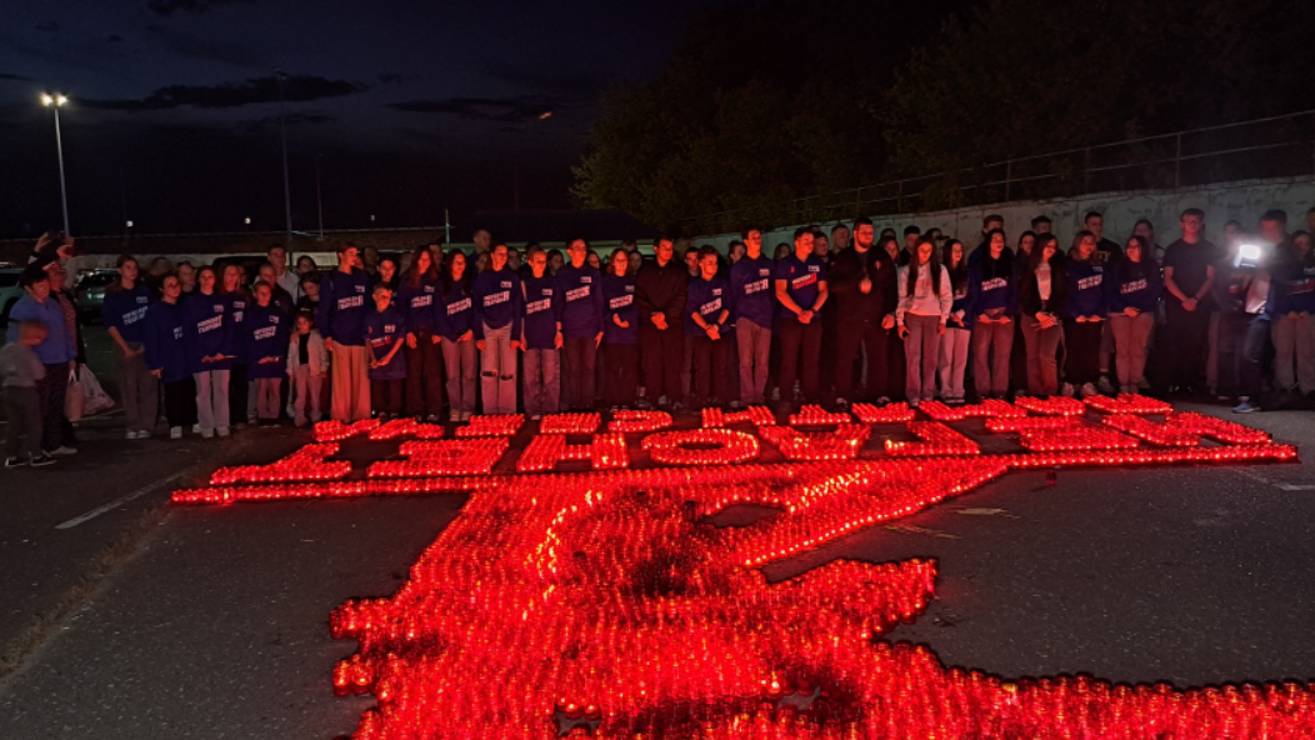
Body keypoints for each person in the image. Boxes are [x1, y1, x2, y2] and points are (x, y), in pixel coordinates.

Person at [7, 268, 76, 456]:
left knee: (56, 405)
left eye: (46, 283)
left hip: (59, 361)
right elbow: (15, 340)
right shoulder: (22, 309)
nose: (45, 287)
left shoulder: (53, 304)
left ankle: (53, 444)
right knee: (38, 408)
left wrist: (71, 356)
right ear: (29, 288)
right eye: (40, 284)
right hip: (38, 363)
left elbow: (65, 333)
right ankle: (35, 447)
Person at [829, 217, 896, 406]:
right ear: (856, 233)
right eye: (865, 232)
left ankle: (879, 393)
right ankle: (843, 394)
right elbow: (833, 285)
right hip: (850, 315)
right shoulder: (843, 258)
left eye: (871, 232)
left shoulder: (881, 255)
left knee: (878, 355)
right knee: (845, 355)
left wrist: (890, 312)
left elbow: (891, 286)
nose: (869, 236)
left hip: (876, 314)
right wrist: (856, 284)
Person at [1213, 232, 1272, 413]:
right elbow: (1228, 291)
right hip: (1238, 314)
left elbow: (1271, 288)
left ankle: (1254, 399)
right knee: (1239, 356)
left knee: (1249, 355)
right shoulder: (1233, 270)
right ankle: (1243, 395)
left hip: (1259, 314)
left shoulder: (1266, 268)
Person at [1161, 208, 1217, 395]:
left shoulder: (1209, 249)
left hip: (1200, 303)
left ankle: (1194, 382)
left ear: (1202, 224)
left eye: (1196, 221)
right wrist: (1184, 299)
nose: (1192, 224)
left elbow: (1210, 277)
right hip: (1176, 303)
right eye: (1188, 221)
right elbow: (1168, 277)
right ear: (1181, 224)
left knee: (1197, 342)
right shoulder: (1173, 249)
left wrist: (1196, 299)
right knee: (1176, 341)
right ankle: (1176, 381)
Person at [102, 255, 158, 439]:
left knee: (148, 386)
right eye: (128, 267)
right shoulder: (113, 294)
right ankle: (132, 425)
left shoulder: (144, 292)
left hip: (145, 345)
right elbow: (110, 324)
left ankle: (146, 426)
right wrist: (125, 348)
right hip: (124, 345)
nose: (132, 271)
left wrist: (146, 344)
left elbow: (153, 320)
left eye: (134, 267)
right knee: (128, 387)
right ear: (120, 270)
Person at [317, 244, 373, 422]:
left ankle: (362, 416)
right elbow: (324, 308)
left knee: (361, 380)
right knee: (342, 381)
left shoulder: (362, 278)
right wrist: (326, 334)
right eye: (350, 253)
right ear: (340, 255)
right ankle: (341, 417)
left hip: (360, 335)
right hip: (339, 334)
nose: (354, 256)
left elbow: (369, 305)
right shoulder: (331, 279)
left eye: (356, 253)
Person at [774, 228, 829, 408]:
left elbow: (824, 290)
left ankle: (811, 397)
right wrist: (799, 311)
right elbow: (780, 292)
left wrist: (812, 311)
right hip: (790, 318)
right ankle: (786, 398)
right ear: (796, 242)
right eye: (806, 240)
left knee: (811, 360)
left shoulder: (818, 264)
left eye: (812, 241)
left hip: (813, 318)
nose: (810, 244)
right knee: (789, 359)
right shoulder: (785, 263)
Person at [896, 237, 951, 405]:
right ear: (916, 251)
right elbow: (902, 297)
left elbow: (946, 296)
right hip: (913, 316)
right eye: (922, 250)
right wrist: (900, 322)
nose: (925, 254)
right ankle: (913, 393)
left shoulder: (940, 270)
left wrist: (943, 320)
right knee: (913, 356)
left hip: (933, 316)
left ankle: (928, 392)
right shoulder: (906, 271)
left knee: (931, 358)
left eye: (929, 251)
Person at [635, 236, 687, 410]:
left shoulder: (679, 272)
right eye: (664, 247)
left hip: (671, 323)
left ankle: (674, 397)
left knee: (673, 362)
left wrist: (665, 315)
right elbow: (639, 297)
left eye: (670, 248)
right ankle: (653, 397)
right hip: (650, 325)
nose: (668, 251)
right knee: (652, 363)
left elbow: (681, 296)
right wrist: (654, 316)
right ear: (655, 248)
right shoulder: (645, 271)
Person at [1106, 235, 1162, 394]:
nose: (1131, 249)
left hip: (1143, 313)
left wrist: (1140, 308)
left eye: (1136, 246)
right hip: (1121, 313)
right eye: (1129, 246)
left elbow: (1155, 290)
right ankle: (1124, 385)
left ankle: (1135, 384)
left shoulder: (1150, 267)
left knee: (1138, 349)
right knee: (1123, 349)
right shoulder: (1119, 266)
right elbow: (1111, 291)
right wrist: (1124, 308)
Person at [182, 266, 232, 438]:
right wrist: (200, 352)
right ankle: (206, 427)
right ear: (198, 280)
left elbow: (229, 328)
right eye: (203, 277)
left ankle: (222, 424)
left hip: (221, 354)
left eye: (210, 276)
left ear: (215, 279)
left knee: (222, 391)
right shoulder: (191, 302)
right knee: (203, 392)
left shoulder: (223, 300)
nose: (206, 280)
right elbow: (189, 331)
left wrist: (222, 351)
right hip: (200, 355)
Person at [1268, 218, 1315, 403]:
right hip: (1286, 315)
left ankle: (1309, 388)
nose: (1303, 246)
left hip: (1308, 314)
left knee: (1307, 352)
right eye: (1299, 243)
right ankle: (1286, 387)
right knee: (1284, 352)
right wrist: (1288, 311)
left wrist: (1308, 310)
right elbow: (1278, 291)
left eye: (1306, 243)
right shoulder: (1282, 265)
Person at [556, 238, 605, 411]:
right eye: (578, 248)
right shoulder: (562, 273)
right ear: (569, 251)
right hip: (570, 330)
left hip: (590, 328)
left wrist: (601, 328)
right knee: (574, 369)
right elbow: (558, 302)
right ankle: (574, 405)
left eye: (584, 248)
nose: (582, 251)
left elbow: (599, 301)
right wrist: (559, 329)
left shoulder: (593, 273)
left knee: (589, 368)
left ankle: (588, 405)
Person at [728, 227, 776, 405]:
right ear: (746, 242)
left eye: (759, 236)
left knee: (763, 362)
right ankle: (748, 398)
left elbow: (774, 292)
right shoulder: (738, 268)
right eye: (753, 237)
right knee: (745, 362)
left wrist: (770, 312)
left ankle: (760, 397)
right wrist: (736, 319)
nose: (758, 239)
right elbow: (734, 294)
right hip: (745, 318)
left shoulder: (769, 264)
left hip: (765, 319)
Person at [144, 274, 196, 439]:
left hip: (186, 357)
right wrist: (154, 363)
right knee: (173, 392)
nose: (175, 288)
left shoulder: (184, 307)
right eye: (170, 285)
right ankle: (175, 423)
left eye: (176, 284)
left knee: (189, 389)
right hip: (169, 359)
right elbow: (151, 339)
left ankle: (192, 420)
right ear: (162, 289)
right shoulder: (155, 311)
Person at [472, 243, 521, 414]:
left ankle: (507, 412)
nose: (503, 257)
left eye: (505, 254)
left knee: (508, 373)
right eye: (499, 253)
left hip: (508, 328)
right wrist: (479, 334)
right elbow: (476, 308)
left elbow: (517, 307)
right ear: (492, 255)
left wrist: (516, 335)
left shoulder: (512, 278)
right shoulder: (482, 278)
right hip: (487, 329)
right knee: (488, 372)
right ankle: (490, 412)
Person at [967, 228, 1016, 399]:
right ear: (988, 242)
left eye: (1001, 238)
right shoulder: (979, 264)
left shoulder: (1009, 263)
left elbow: (1015, 290)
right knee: (981, 353)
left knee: (1002, 353)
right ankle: (983, 391)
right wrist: (979, 312)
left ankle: (1000, 391)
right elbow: (973, 290)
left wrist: (1009, 313)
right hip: (983, 312)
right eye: (995, 238)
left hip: (1004, 311)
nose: (998, 241)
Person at [398, 246, 444, 421]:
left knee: (433, 373)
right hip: (413, 332)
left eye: (427, 259)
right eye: (421, 259)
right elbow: (402, 310)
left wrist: (439, 330)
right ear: (416, 260)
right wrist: (407, 331)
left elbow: (439, 308)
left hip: (431, 331)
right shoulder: (407, 281)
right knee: (414, 373)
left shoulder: (435, 281)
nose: (424, 262)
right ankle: (416, 410)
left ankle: (434, 410)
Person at [1018, 235, 1067, 396]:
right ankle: (1035, 392)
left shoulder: (1058, 267)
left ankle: (1050, 391)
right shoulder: (1028, 267)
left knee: (1047, 354)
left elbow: (1063, 293)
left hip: (1052, 314)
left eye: (1054, 246)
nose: (1051, 249)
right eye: (1048, 246)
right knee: (1032, 355)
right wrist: (1036, 313)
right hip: (1032, 314)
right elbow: (1023, 294)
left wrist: (1053, 314)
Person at [2, 320, 55, 467]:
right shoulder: (29, 354)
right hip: (26, 390)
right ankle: (36, 454)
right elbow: (39, 374)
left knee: (14, 424)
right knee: (34, 423)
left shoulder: (7, 349)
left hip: (8, 389)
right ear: (35, 338)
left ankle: (12, 455)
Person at [686, 245, 731, 408]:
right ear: (701, 263)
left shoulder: (723, 283)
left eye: (716, 263)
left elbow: (727, 307)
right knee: (702, 368)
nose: (714, 266)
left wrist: (717, 326)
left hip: (721, 331)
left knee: (721, 367)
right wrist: (707, 328)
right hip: (700, 332)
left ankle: (720, 400)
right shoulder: (694, 286)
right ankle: (703, 400)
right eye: (710, 262)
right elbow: (692, 310)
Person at [1062, 231, 1107, 397]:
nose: (1089, 245)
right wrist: (1075, 313)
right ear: (1077, 243)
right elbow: (1065, 292)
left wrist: (1100, 313)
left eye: (1092, 242)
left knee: (1092, 349)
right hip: (1074, 317)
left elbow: (1105, 291)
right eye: (1085, 242)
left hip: (1094, 316)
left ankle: (1088, 382)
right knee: (1074, 349)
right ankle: (1071, 382)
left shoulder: (1099, 266)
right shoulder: (1068, 265)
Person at [520, 246, 563, 418]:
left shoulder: (552, 283)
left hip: (549, 335)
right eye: (537, 261)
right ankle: (533, 411)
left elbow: (558, 309)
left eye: (543, 261)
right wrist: (521, 335)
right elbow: (520, 312)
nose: (541, 265)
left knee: (551, 377)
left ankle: (551, 411)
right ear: (530, 262)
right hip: (530, 336)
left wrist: (559, 332)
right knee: (531, 377)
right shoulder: (524, 284)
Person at [436, 250, 477, 421]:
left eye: (463, 262)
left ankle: (468, 408)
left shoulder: (470, 284)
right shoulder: (442, 286)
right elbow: (438, 313)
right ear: (450, 264)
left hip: (468, 334)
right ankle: (455, 408)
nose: (460, 266)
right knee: (452, 375)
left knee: (469, 374)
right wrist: (450, 334)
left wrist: (471, 330)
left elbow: (476, 310)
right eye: (457, 262)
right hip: (449, 336)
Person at [243, 281, 290, 425]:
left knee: (275, 389)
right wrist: (257, 358)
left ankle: (274, 417)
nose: (265, 295)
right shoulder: (249, 313)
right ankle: (263, 417)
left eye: (267, 292)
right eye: (261, 293)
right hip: (258, 361)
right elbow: (247, 338)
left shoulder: (278, 313)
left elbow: (282, 336)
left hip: (275, 360)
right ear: (255, 294)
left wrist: (275, 356)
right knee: (261, 390)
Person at [601, 247, 638, 409]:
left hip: (630, 334)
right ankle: (613, 402)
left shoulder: (634, 281)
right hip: (612, 334)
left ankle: (628, 402)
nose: (622, 263)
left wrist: (628, 320)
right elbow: (601, 305)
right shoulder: (606, 281)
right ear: (613, 262)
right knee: (612, 369)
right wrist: (612, 317)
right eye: (618, 260)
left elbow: (639, 305)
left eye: (624, 260)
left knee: (630, 369)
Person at [365, 284, 406, 418]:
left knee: (395, 387)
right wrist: (372, 358)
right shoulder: (369, 317)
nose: (384, 300)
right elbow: (367, 339)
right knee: (378, 387)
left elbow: (401, 337)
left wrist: (389, 357)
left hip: (394, 359)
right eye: (381, 296)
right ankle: (380, 411)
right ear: (374, 297)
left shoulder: (397, 316)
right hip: (377, 358)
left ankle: (394, 412)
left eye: (387, 297)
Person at [939, 239, 971, 404]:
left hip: (964, 321)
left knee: (960, 358)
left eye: (961, 250)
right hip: (947, 320)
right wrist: (948, 314)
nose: (958, 253)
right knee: (946, 357)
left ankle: (958, 389)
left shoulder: (967, 273)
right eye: (954, 250)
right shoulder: (941, 272)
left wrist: (962, 313)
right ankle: (945, 389)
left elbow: (972, 296)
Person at [286, 312, 328, 427]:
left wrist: (323, 368)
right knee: (300, 394)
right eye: (299, 323)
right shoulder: (295, 338)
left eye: (304, 322)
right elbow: (291, 355)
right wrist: (290, 369)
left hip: (314, 367)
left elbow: (322, 353)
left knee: (315, 394)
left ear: (310, 323)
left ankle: (316, 416)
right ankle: (299, 417)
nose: (302, 325)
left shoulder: (316, 337)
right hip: (300, 368)